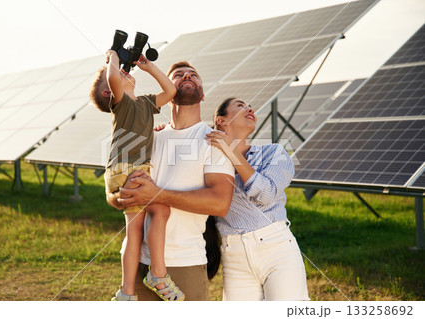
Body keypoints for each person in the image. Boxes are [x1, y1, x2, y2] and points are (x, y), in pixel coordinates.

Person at [106, 61, 235, 301]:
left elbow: (220, 204)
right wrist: (116, 196)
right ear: (169, 90)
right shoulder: (148, 137)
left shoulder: (214, 142)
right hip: (136, 264)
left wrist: (156, 195)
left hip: (184, 263)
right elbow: (118, 189)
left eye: (193, 75)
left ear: (203, 94)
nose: (187, 76)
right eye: (178, 75)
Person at [89, 50, 184, 301]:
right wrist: (112, 59)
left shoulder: (144, 104)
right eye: (117, 75)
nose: (123, 73)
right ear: (109, 92)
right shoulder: (121, 105)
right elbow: (112, 78)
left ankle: (127, 293)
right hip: (127, 170)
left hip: (133, 170)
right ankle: (157, 276)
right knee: (159, 212)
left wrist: (148, 67)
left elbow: (171, 92)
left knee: (137, 230)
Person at [205, 97, 309, 301]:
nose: (249, 107)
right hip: (233, 256)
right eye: (240, 105)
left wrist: (231, 151)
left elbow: (267, 194)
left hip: (277, 249)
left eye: (250, 106)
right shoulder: (208, 160)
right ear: (222, 120)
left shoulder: (274, 153)